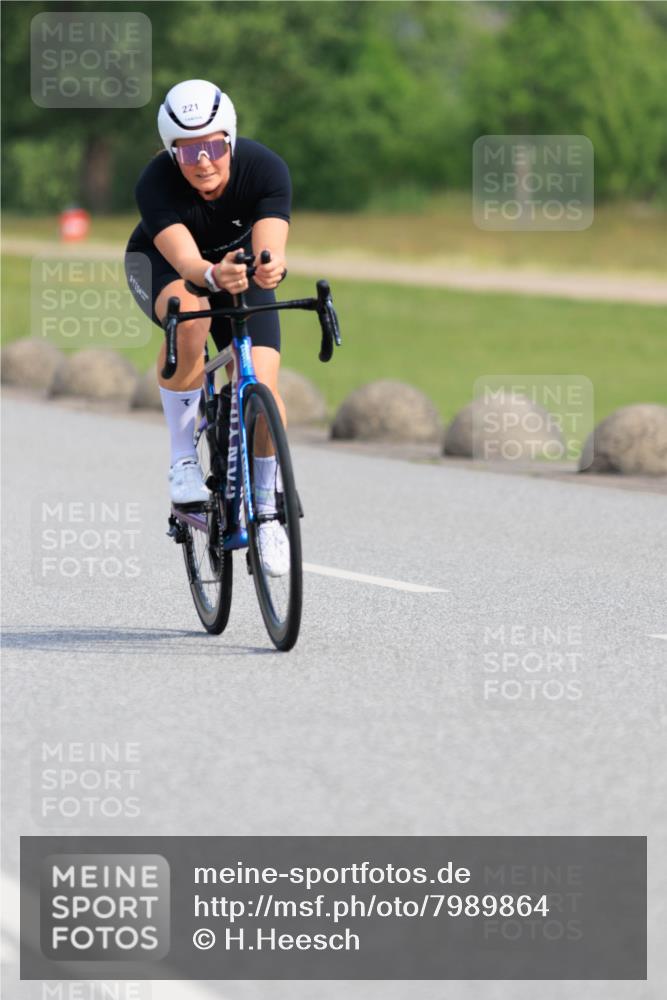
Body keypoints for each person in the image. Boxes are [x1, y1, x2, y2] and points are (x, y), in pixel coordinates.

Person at [124, 79, 290, 574]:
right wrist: (213, 274)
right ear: (172, 151)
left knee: (263, 388)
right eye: (188, 149)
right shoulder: (154, 184)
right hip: (165, 265)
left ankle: (267, 510)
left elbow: (271, 247)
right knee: (190, 315)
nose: (203, 161)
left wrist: (269, 268)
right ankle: (182, 460)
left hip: (236, 266)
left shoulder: (265, 169)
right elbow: (189, 262)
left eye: (213, 145)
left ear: (230, 141)